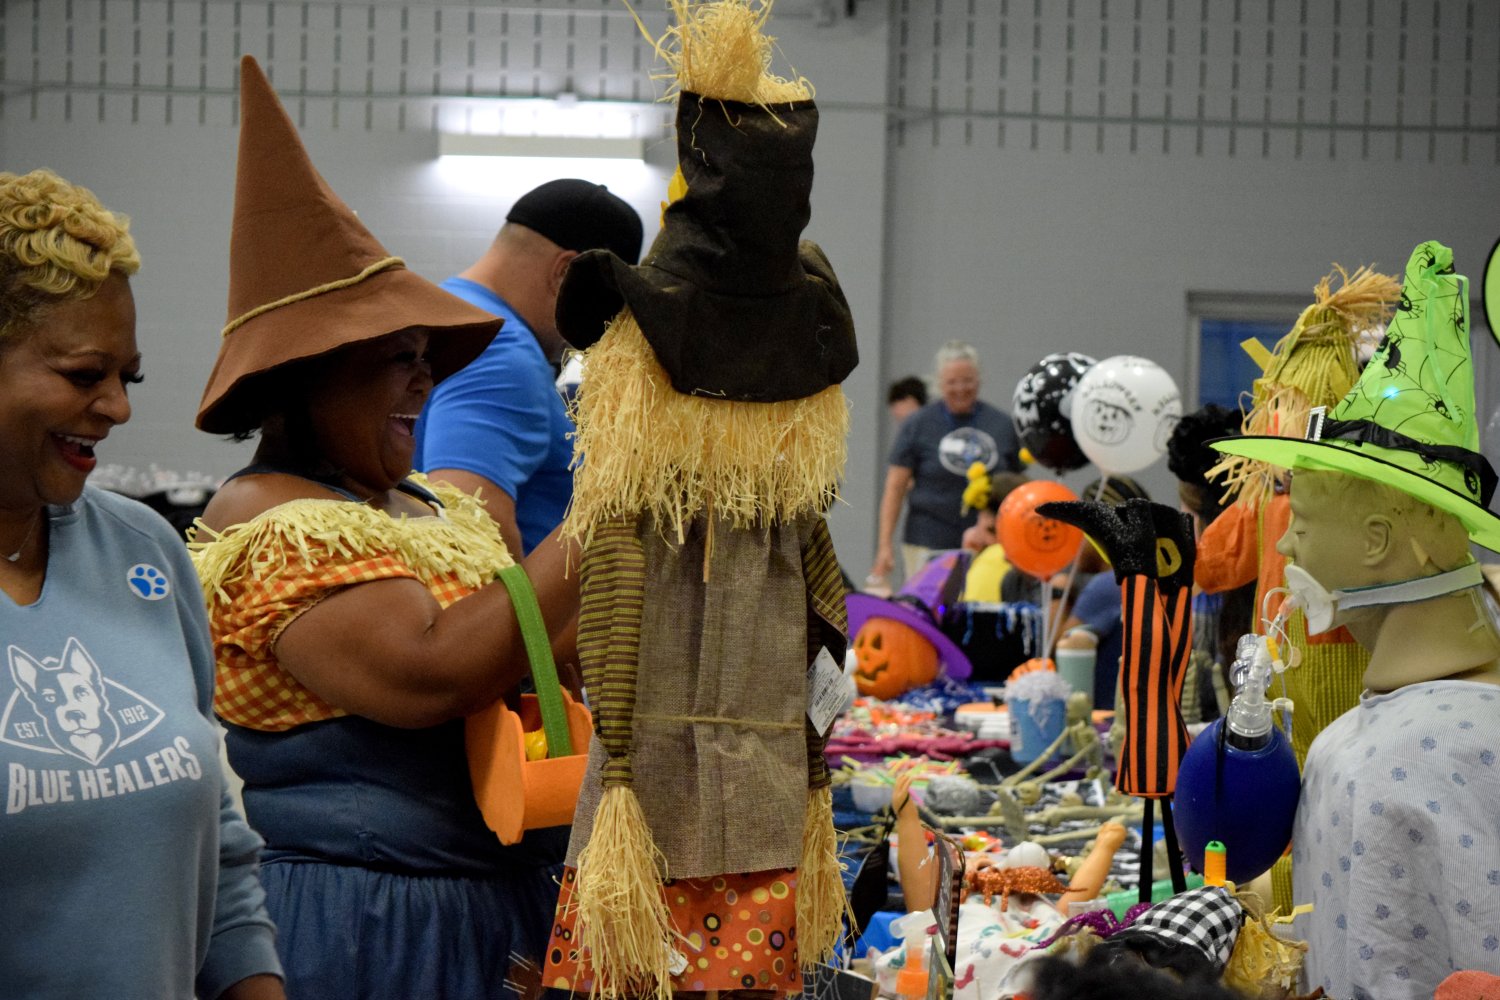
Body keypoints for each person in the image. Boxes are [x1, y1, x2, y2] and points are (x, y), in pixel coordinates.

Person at [188, 58, 580, 998]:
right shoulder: (269, 518)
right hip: (368, 933)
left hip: (494, 914)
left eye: (425, 358)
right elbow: (430, 670)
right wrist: (619, 511)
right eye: (394, 360)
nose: (423, 382)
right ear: (305, 376)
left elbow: (540, 644)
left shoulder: (428, 508)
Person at [0, 169, 283, 999]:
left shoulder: (145, 554)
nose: (118, 408)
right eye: (86, 375)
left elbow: (217, 844)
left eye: (130, 377)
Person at [1213, 240, 1500, 999]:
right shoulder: (1381, 736)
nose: (1286, 538)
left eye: (1301, 517)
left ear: (1376, 540)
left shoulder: (1390, 758)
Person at [414, 179, 643, 556]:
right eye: (606, 307)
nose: (599, 333)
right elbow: (471, 527)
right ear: (565, 272)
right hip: (519, 613)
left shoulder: (445, 314)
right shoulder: (502, 350)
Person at [871, 340, 1021, 584]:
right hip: (927, 541)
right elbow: (895, 487)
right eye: (952, 382)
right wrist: (884, 545)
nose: (961, 388)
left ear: (980, 380)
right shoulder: (917, 425)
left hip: (988, 545)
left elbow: (1016, 488)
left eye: (968, 380)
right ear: (940, 383)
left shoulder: (1002, 425)